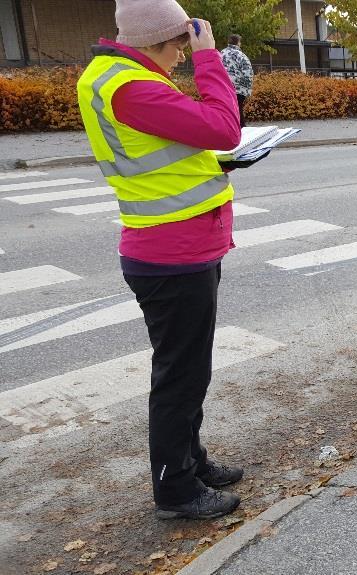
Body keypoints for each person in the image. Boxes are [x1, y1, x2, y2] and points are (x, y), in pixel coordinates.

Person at [76, 0, 244, 519]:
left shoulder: (125, 77)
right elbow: (223, 127)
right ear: (156, 40)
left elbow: (179, 145)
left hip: (181, 246)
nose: (182, 56)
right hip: (172, 252)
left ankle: (191, 462)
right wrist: (210, 59)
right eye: (179, 46)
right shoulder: (130, 86)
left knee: (189, 371)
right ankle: (176, 490)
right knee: (180, 377)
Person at [221, 33, 253, 127]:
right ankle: (241, 129)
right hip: (239, 88)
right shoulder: (241, 55)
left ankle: (227, 127)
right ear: (238, 43)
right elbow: (248, 72)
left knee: (227, 109)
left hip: (223, 86)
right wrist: (247, 89)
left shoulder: (221, 53)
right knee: (238, 109)